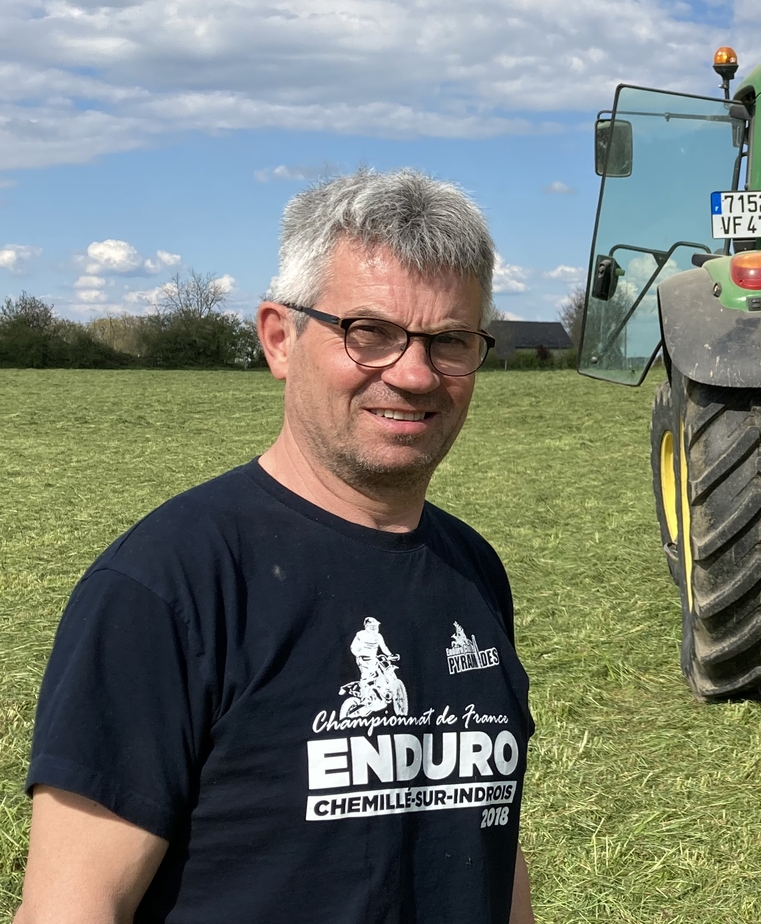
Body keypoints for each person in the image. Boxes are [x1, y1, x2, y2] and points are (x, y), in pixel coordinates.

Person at [16, 169, 535, 924]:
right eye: (371, 333)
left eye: (449, 340)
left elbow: (489, 843)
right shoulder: (167, 587)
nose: (415, 374)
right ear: (278, 338)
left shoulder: (472, 570)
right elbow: (73, 906)